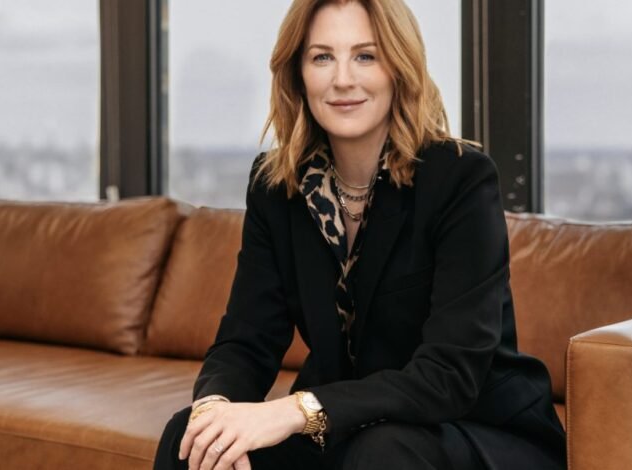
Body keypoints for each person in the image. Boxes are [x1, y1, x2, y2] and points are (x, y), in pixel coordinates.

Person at [154, 1, 566, 469]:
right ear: (298, 74)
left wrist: (297, 410)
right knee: (191, 438)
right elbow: (247, 340)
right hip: (350, 426)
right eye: (322, 57)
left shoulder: (460, 179)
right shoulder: (276, 187)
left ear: (399, 68)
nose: (343, 79)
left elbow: (448, 376)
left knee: (383, 451)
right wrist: (214, 409)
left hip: (476, 428)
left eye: (366, 56)